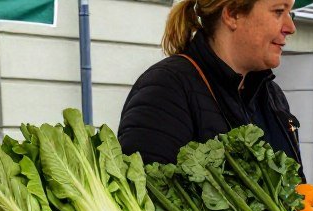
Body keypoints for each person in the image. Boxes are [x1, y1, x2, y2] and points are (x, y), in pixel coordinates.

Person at [118, 0, 301, 167]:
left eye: (289, 13)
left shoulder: (272, 95)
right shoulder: (166, 90)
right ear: (232, 14)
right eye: (278, 11)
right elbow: (150, 188)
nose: (291, 27)